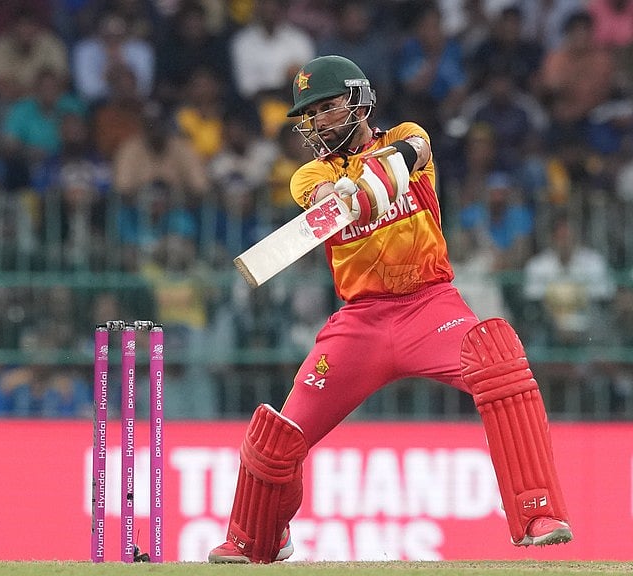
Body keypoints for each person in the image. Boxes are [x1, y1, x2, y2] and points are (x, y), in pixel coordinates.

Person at [207, 55, 573, 564]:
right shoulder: (310, 176)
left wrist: (365, 185)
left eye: (327, 108)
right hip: (361, 322)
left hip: (431, 305)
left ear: (358, 103)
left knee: (497, 356)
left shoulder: (408, 136)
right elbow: (320, 201)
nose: (315, 124)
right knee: (279, 436)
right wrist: (342, 195)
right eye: (309, 116)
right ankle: (257, 538)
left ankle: (537, 512)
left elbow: (413, 150)